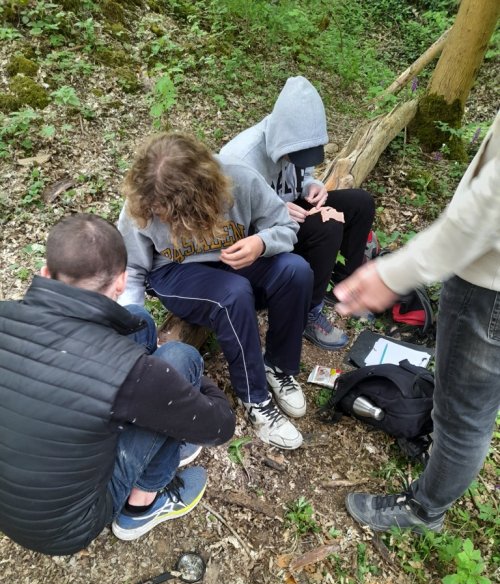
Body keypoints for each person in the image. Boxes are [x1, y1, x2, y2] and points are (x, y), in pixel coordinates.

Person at [0, 214, 236, 556]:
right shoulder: (131, 373)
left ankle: (158, 425)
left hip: (13, 505)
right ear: (121, 282)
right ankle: (140, 508)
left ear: (45, 273)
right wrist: (187, 383)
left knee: (138, 322)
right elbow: (220, 427)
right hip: (68, 525)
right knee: (180, 358)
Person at [333, 110, 500, 533]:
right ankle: (441, 472)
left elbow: (489, 205)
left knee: (462, 416)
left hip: (490, 286)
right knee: (472, 411)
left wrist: (394, 273)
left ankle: (423, 510)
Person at [117, 132, 314, 450]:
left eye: (174, 215)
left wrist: (260, 242)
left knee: (295, 271)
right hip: (175, 272)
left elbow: (286, 227)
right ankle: (255, 398)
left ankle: (278, 365)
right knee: (232, 294)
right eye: (160, 214)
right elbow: (132, 269)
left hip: (235, 256)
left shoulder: (239, 178)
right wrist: (134, 326)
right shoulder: (142, 201)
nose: (163, 219)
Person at [221, 75, 376, 350]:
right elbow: (233, 226)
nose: (300, 157)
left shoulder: (297, 142)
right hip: (262, 233)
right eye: (298, 152)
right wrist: (275, 211)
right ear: (283, 138)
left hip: (292, 215)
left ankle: (347, 285)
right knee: (329, 227)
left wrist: (312, 186)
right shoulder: (240, 159)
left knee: (360, 203)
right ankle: (308, 312)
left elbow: (303, 173)